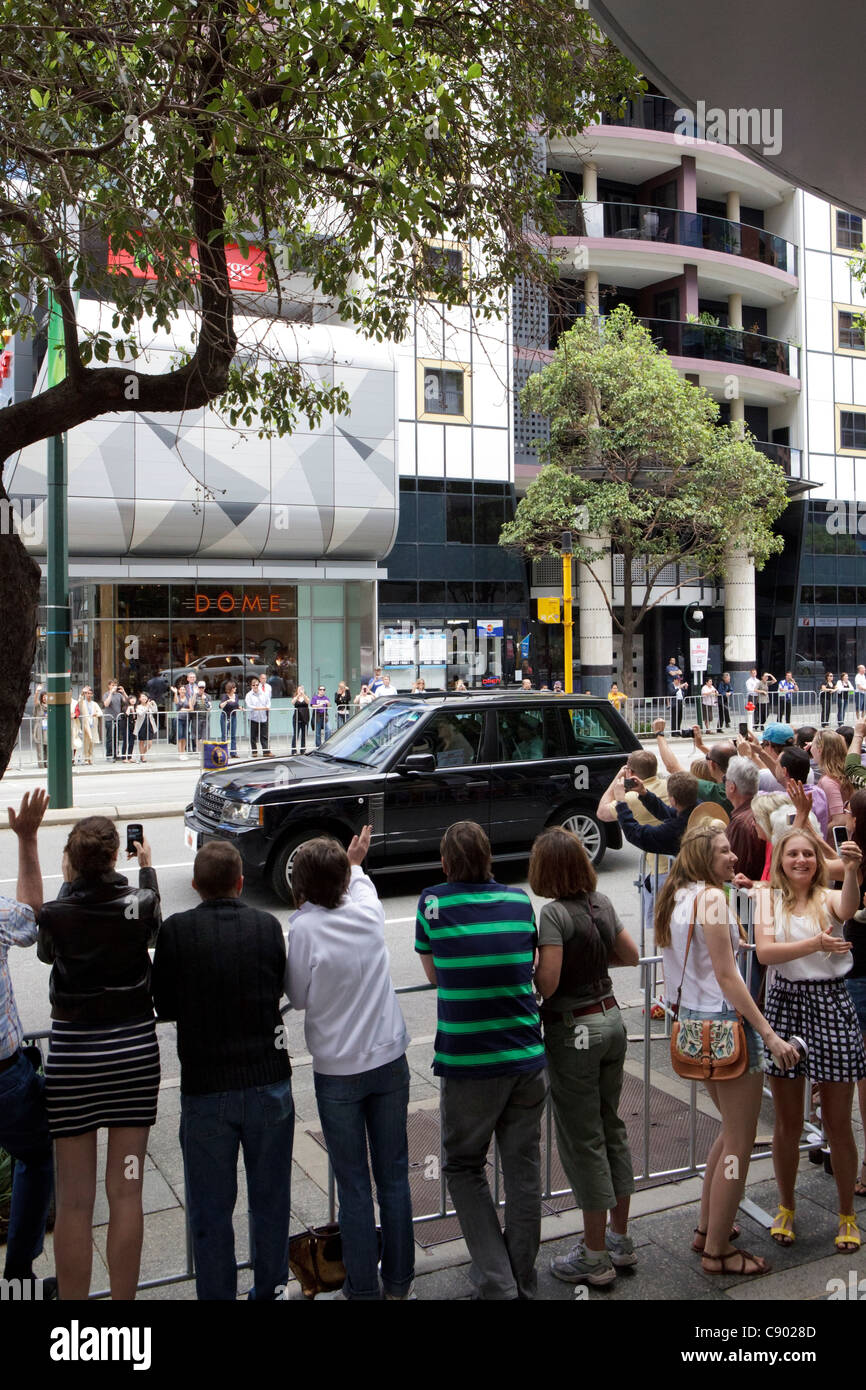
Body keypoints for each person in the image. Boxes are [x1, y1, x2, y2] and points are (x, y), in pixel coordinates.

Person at [151, 841, 293, 1300]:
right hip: (268, 1082)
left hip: (206, 1088)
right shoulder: (267, 926)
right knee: (270, 1201)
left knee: (211, 1211)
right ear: (240, 882)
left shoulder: (176, 932)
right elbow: (276, 984)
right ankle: (269, 1289)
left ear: (195, 886)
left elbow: (164, 1003)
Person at [655, 824, 799, 1275]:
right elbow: (726, 974)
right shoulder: (712, 899)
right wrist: (769, 1034)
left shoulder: (675, 895)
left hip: (691, 1024)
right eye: (723, 851)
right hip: (724, 1025)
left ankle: (706, 1228)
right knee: (739, 1139)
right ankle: (718, 1250)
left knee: (729, 1131)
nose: (733, 856)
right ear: (703, 856)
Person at [415, 821, 546, 1300]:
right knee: (523, 1168)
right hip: (528, 1055)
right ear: (489, 858)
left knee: (463, 1166)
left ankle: (497, 1281)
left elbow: (435, 975)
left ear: (447, 863)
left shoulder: (432, 902)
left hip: (469, 1061)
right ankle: (522, 1280)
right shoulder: (517, 902)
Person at [285, 826, 414, 1300]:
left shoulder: (304, 929)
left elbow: (296, 998)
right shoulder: (367, 911)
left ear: (301, 886)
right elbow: (359, 881)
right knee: (395, 1176)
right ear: (343, 880)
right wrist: (356, 862)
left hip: (337, 1070)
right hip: (389, 1058)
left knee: (354, 1185)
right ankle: (400, 1284)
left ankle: (363, 1288)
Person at [37, 817, 161, 1299]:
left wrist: (67, 885)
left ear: (71, 862)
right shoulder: (139, 902)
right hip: (131, 1056)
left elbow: (48, 953)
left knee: (73, 1202)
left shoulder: (58, 912)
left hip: (74, 1064)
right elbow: (152, 932)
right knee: (127, 1189)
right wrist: (146, 868)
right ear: (115, 858)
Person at [530, 827, 640, 1286]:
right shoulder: (602, 904)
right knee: (611, 1126)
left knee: (584, 1139)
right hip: (612, 1019)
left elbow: (549, 984)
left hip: (574, 1029)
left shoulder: (554, 914)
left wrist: (535, 972)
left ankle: (594, 1257)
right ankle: (619, 1240)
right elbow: (631, 956)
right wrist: (593, 961)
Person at [753, 829, 866, 1253]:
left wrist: (852, 869)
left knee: (838, 1120)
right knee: (787, 1122)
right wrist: (816, 942)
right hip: (785, 1005)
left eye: (808, 854)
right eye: (793, 854)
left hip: (830, 1001)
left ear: (817, 861)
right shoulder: (767, 897)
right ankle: (786, 1206)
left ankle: (846, 1215)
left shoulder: (826, 897)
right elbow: (765, 953)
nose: (801, 860)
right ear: (780, 858)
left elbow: (848, 907)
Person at [0, 791, 56, 1300]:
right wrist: (28, 838)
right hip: (4, 1076)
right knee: (36, 1157)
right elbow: (30, 917)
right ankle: (18, 1275)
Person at [613, 769, 699, 861]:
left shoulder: (674, 830)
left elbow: (636, 834)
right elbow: (669, 814)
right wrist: (644, 793)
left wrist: (621, 802)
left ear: (673, 800)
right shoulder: (701, 808)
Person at [722, 756, 766, 882]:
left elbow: (735, 869)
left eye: (725, 779)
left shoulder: (741, 823)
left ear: (732, 787)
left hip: (747, 896)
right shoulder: (760, 810)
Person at [811, 729, 849, 829]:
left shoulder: (828, 782)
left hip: (831, 842)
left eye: (813, 744)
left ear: (819, 750)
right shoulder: (846, 773)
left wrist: (818, 835)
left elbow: (839, 820)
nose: (810, 747)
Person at [172, 673, 197, 761]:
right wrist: (175, 693)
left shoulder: (188, 698)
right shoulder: (177, 697)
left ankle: (184, 752)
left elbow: (191, 708)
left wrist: (184, 710)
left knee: (185, 736)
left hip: (186, 718)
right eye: (181, 690)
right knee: (180, 736)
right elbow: (176, 702)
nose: (182, 691)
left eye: (183, 690)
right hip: (179, 719)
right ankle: (180, 753)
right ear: (179, 691)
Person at [245, 674, 271, 757]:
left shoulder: (263, 693)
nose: (255, 686)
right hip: (253, 718)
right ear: (251, 686)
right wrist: (256, 708)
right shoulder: (249, 695)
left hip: (263, 717)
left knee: (264, 735)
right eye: (254, 685)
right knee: (253, 736)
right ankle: (254, 752)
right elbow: (248, 704)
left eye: (257, 684)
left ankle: (266, 752)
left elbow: (268, 701)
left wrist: (267, 707)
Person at [77, 686, 102, 764]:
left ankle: (90, 758)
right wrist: (82, 692)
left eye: (90, 693)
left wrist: (96, 714)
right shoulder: (83, 703)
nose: (88, 695)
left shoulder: (94, 704)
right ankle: (85, 758)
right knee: (86, 742)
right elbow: (79, 701)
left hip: (93, 725)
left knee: (92, 741)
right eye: (87, 693)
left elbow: (100, 712)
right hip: (86, 725)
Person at [101, 679, 125, 762]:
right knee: (110, 737)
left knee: (116, 737)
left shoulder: (119, 695)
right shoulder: (106, 694)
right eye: (112, 685)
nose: (113, 687)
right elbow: (106, 704)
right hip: (109, 719)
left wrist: (123, 692)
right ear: (109, 686)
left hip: (118, 718)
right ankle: (109, 755)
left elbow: (127, 701)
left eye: (115, 685)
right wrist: (111, 693)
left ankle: (115, 754)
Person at [133, 692, 158, 763]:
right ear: (140, 698)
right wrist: (147, 707)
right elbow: (140, 714)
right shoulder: (138, 706)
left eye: (145, 696)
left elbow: (155, 711)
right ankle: (143, 757)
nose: (144, 698)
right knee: (141, 741)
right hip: (141, 725)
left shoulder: (149, 705)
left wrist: (154, 703)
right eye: (142, 696)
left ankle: (142, 755)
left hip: (150, 724)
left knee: (149, 743)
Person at [219, 680, 240, 757]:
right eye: (234, 687)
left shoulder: (236, 696)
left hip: (233, 716)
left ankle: (233, 752)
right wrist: (227, 701)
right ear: (230, 688)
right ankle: (224, 753)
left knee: (233, 735)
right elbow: (220, 706)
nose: (235, 689)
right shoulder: (225, 696)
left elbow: (236, 705)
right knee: (224, 735)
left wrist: (240, 708)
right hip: (225, 716)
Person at [292, 684, 310, 753]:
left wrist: (303, 695)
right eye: (299, 689)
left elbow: (308, 702)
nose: (300, 691)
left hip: (305, 718)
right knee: (295, 735)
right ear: (297, 690)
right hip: (296, 718)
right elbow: (293, 702)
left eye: (301, 689)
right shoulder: (295, 697)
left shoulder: (306, 696)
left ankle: (303, 750)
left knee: (304, 735)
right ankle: (293, 750)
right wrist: (298, 695)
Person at [33, 690, 49, 770]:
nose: (45, 698)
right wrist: (37, 692)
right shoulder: (39, 705)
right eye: (44, 697)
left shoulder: (51, 707)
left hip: (48, 729)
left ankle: (48, 763)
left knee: (48, 747)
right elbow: (35, 701)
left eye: (46, 697)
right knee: (40, 747)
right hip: (40, 729)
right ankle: (41, 764)